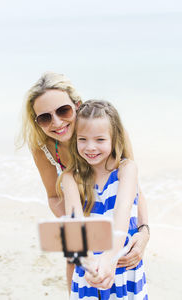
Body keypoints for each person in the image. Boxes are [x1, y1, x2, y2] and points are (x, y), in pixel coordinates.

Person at [18, 71, 149, 294]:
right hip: (78, 205)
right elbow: (53, 195)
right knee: (75, 261)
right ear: (37, 122)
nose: (57, 122)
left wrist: (144, 232)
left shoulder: (109, 131)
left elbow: (132, 185)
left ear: (76, 105)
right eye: (45, 117)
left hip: (115, 212)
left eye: (63, 110)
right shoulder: (44, 149)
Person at [57, 100, 148, 299]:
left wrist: (110, 257)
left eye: (100, 139)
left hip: (122, 266)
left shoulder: (126, 169)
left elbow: (122, 213)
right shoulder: (71, 177)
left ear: (114, 138)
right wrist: (89, 262)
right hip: (88, 268)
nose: (90, 147)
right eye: (83, 139)